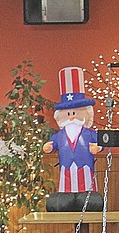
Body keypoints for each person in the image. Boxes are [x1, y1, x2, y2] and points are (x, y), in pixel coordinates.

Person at [42, 67, 104, 212]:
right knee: (64, 192)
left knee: (88, 194)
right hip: (66, 170)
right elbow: (51, 144)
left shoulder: (89, 133)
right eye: (68, 113)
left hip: (86, 168)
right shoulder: (60, 135)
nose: (71, 117)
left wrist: (99, 147)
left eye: (74, 113)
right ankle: (66, 197)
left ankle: (87, 197)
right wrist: (48, 147)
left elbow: (102, 142)